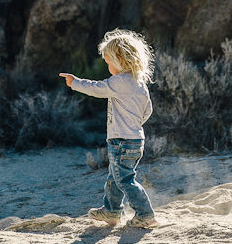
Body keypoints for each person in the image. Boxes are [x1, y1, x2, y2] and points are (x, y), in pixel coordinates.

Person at [60, 28, 159, 229]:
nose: (107, 66)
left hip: (121, 142)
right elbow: (147, 110)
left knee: (125, 179)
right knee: (115, 178)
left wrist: (75, 83)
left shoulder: (119, 81)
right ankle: (111, 211)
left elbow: (97, 89)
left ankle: (145, 214)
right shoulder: (139, 83)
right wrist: (134, 125)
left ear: (119, 59)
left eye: (108, 62)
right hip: (135, 140)